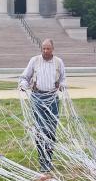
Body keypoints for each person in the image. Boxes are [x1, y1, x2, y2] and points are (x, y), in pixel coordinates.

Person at [19, 39, 66, 172]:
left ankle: (49, 160)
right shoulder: (34, 60)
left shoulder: (58, 62)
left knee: (51, 130)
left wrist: (62, 85)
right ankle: (42, 161)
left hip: (53, 99)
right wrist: (23, 85)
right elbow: (24, 77)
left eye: (48, 49)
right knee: (40, 130)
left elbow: (63, 79)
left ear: (53, 49)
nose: (45, 51)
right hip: (37, 98)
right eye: (43, 48)